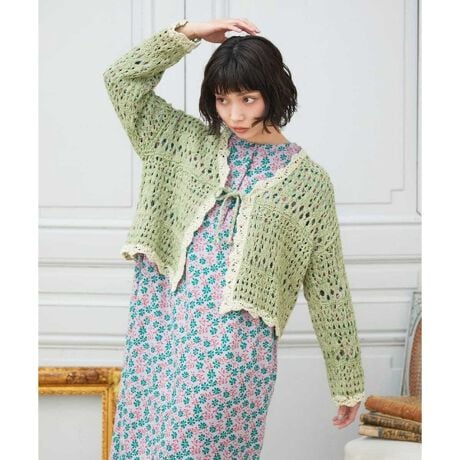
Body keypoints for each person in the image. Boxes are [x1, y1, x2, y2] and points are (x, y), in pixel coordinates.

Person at [103, 17, 365, 459]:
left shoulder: (308, 184)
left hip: (236, 347)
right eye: (223, 100)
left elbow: (328, 287)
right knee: (147, 447)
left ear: (274, 93)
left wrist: (346, 379)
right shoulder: (181, 141)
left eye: (248, 99)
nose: (235, 115)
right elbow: (121, 80)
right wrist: (187, 34)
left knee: (197, 447)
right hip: (162, 332)